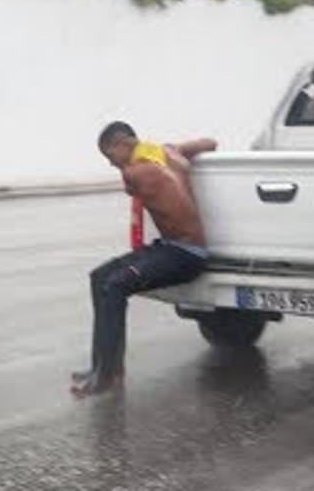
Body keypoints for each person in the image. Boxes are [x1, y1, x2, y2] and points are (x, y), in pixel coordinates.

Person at [70, 121, 217, 398]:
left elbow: (132, 188)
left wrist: (137, 162)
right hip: (171, 246)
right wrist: (175, 153)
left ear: (123, 144)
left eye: (110, 156)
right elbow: (210, 144)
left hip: (186, 254)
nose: (111, 164)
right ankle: (104, 367)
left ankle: (106, 377)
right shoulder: (168, 151)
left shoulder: (134, 172)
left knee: (114, 286)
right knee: (99, 277)